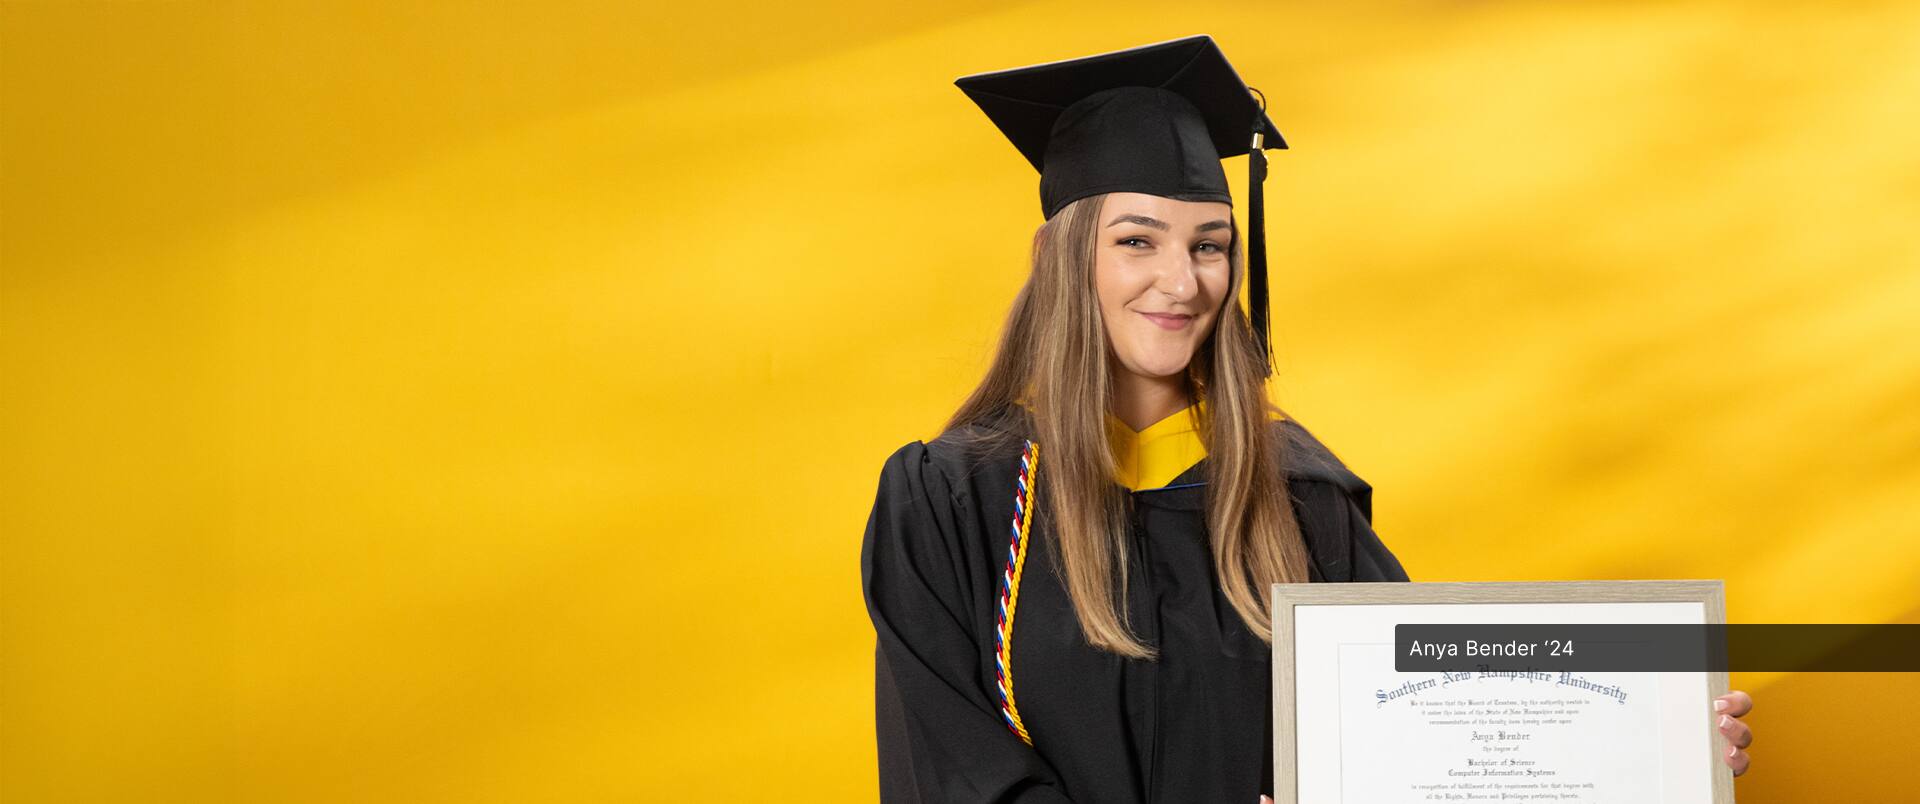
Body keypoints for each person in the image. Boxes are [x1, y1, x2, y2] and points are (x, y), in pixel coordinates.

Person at [858, 35, 1754, 803]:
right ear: (1061, 255)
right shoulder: (949, 502)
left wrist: (1650, 750)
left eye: (1210, 245)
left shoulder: (1300, 501)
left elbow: (1436, 740)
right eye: (1137, 240)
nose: (1182, 281)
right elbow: (951, 775)